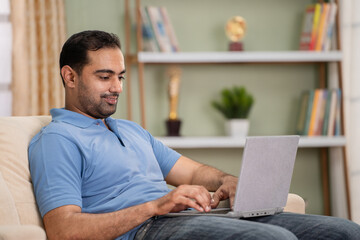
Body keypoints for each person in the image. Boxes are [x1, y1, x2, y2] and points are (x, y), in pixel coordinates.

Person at [28, 30, 360, 240]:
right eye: (104, 76)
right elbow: (64, 230)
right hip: (145, 230)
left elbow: (192, 171)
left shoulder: (129, 130)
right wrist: (155, 205)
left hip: (181, 219)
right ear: (69, 77)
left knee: (343, 231)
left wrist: (225, 180)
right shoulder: (57, 139)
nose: (116, 88)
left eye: (121, 77)